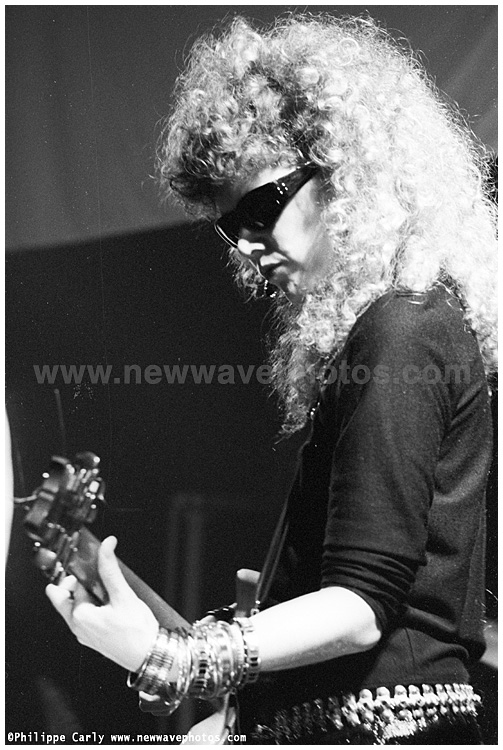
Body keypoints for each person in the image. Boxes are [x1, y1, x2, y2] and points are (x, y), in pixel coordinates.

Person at [46, 14, 497, 744]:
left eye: (261, 207)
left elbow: (359, 609)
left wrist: (178, 656)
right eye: (232, 227)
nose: (248, 245)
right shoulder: (395, 327)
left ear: (345, 170)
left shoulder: (401, 328)